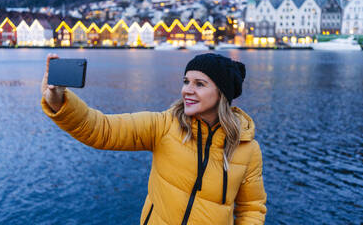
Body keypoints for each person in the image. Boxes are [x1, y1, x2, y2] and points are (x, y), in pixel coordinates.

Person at [41, 53, 267, 225]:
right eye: (186, 81)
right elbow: (102, 130)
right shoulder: (164, 126)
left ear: (222, 94)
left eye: (200, 84)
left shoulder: (247, 148)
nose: (187, 90)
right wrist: (58, 100)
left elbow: (251, 208)